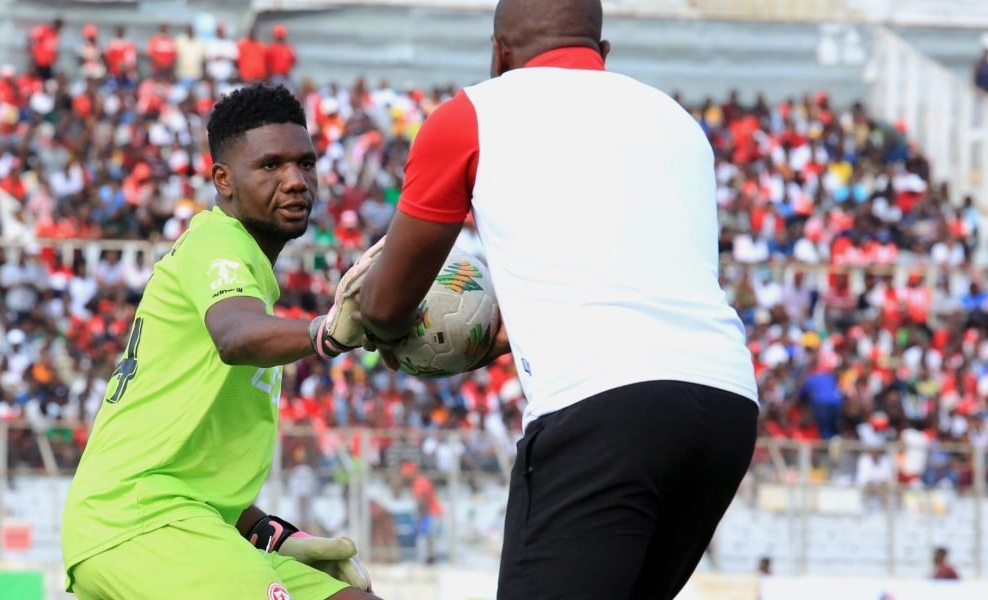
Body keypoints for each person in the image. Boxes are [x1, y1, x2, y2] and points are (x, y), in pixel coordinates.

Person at [356, 1, 758, 598]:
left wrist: (385, 336)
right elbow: (638, 283)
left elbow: (386, 306)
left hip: (601, 406)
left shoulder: (469, 115)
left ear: (499, 53)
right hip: (728, 406)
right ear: (603, 52)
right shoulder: (677, 120)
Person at [61, 85, 378, 600]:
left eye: (305, 163)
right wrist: (327, 332)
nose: (296, 181)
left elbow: (192, 467)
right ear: (223, 180)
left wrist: (270, 532)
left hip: (185, 520)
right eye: (271, 166)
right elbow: (235, 337)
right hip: (139, 522)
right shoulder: (218, 242)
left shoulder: (251, 275)